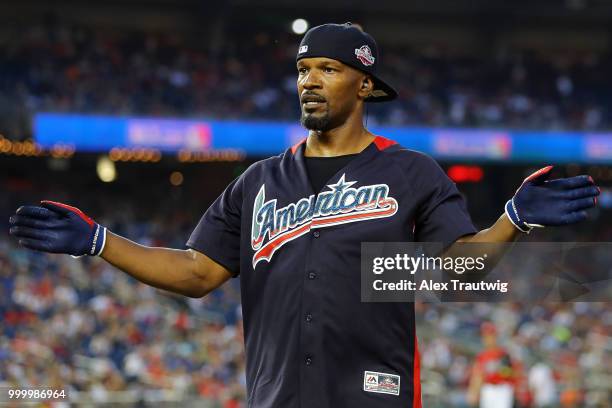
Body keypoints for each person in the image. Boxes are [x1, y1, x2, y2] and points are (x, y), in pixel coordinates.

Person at [8, 23, 600, 408]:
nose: (309, 81)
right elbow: (197, 273)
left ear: (365, 84)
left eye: (328, 69)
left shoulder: (411, 172)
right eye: (302, 70)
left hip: (375, 398)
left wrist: (512, 220)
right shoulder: (259, 180)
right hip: (277, 399)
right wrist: (101, 241)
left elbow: (456, 272)